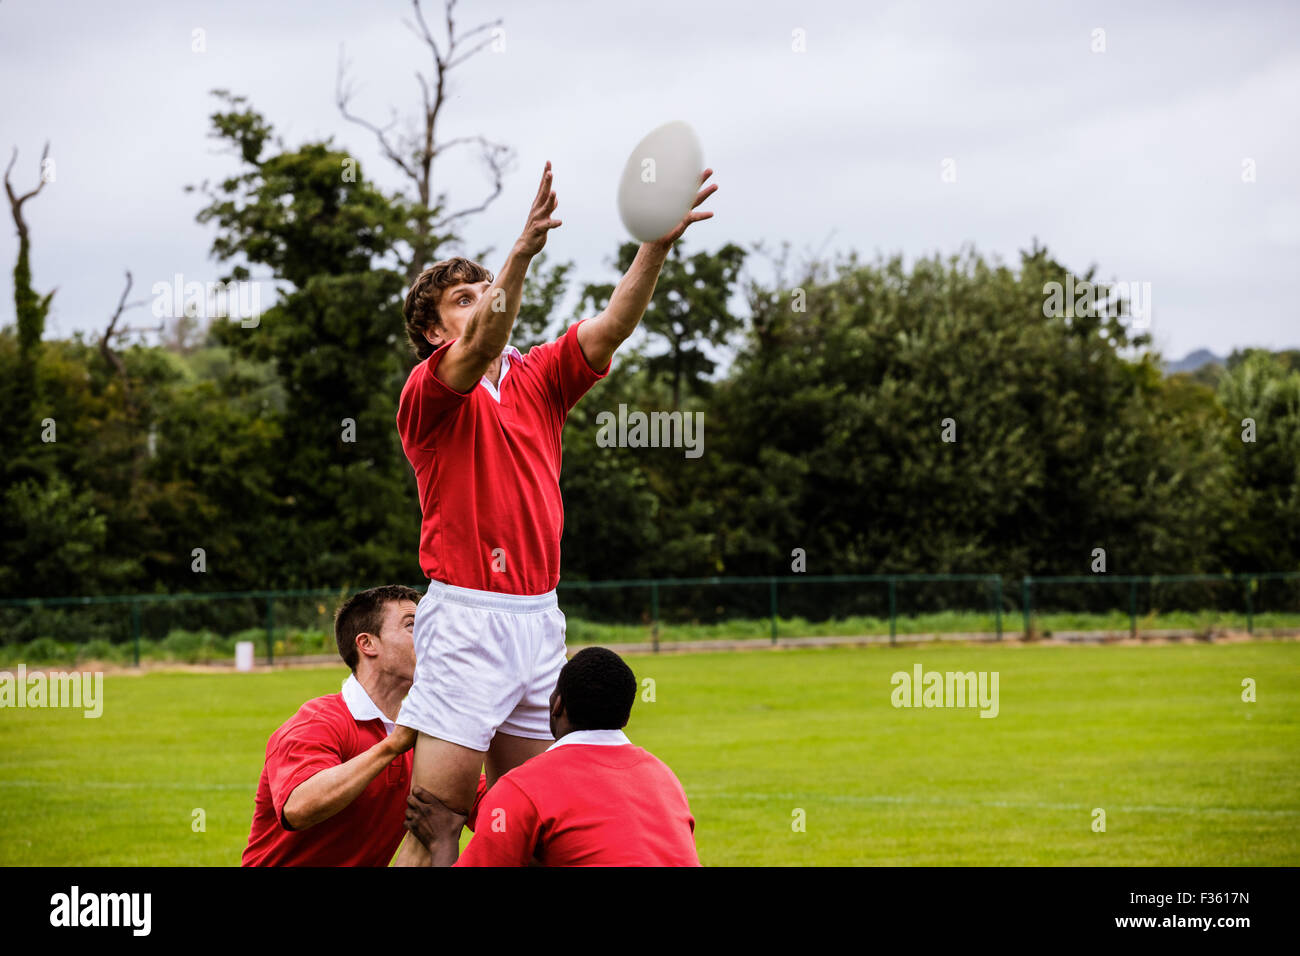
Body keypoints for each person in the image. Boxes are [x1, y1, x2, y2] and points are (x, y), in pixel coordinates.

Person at [392, 160, 717, 866]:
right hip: (468, 619)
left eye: (485, 290)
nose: (481, 304)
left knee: (530, 819)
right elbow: (479, 341)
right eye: (461, 298)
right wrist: (519, 252)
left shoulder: (538, 374)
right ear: (429, 332)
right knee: (437, 819)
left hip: (539, 621)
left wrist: (656, 244)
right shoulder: (431, 392)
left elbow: (613, 325)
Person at [241, 585, 485, 866]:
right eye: (411, 626)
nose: (429, 637)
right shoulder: (319, 721)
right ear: (367, 644)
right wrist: (392, 746)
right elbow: (299, 806)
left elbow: (484, 801)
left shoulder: (419, 734)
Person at [404, 647, 700, 867]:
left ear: (557, 705)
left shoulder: (522, 786)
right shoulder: (663, 777)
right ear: (625, 716)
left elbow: (529, 801)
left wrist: (442, 840)